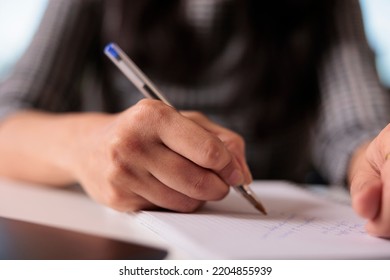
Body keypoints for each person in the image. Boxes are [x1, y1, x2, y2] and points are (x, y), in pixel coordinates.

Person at [0, 0, 389, 237]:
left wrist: (377, 163)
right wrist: (89, 145)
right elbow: (8, 116)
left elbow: (354, 126)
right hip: (126, 242)